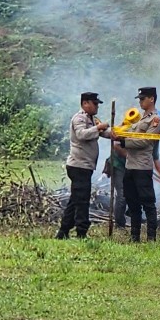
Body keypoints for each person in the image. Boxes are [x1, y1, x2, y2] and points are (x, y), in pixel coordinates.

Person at [56, 92, 111, 239]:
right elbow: (82, 134)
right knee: (82, 201)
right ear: (85, 103)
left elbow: (106, 133)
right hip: (78, 166)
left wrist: (118, 132)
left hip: (85, 166)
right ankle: (81, 232)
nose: (97, 106)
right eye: (95, 103)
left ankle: (63, 231)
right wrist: (99, 128)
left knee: (76, 199)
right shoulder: (79, 118)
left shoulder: (92, 119)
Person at [115, 87, 160, 242]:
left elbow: (144, 141)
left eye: (143, 99)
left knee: (148, 203)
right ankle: (134, 236)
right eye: (139, 99)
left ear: (152, 99)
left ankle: (151, 238)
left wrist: (124, 141)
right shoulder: (139, 119)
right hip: (130, 166)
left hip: (142, 167)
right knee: (133, 203)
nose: (140, 101)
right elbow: (124, 131)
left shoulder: (155, 120)